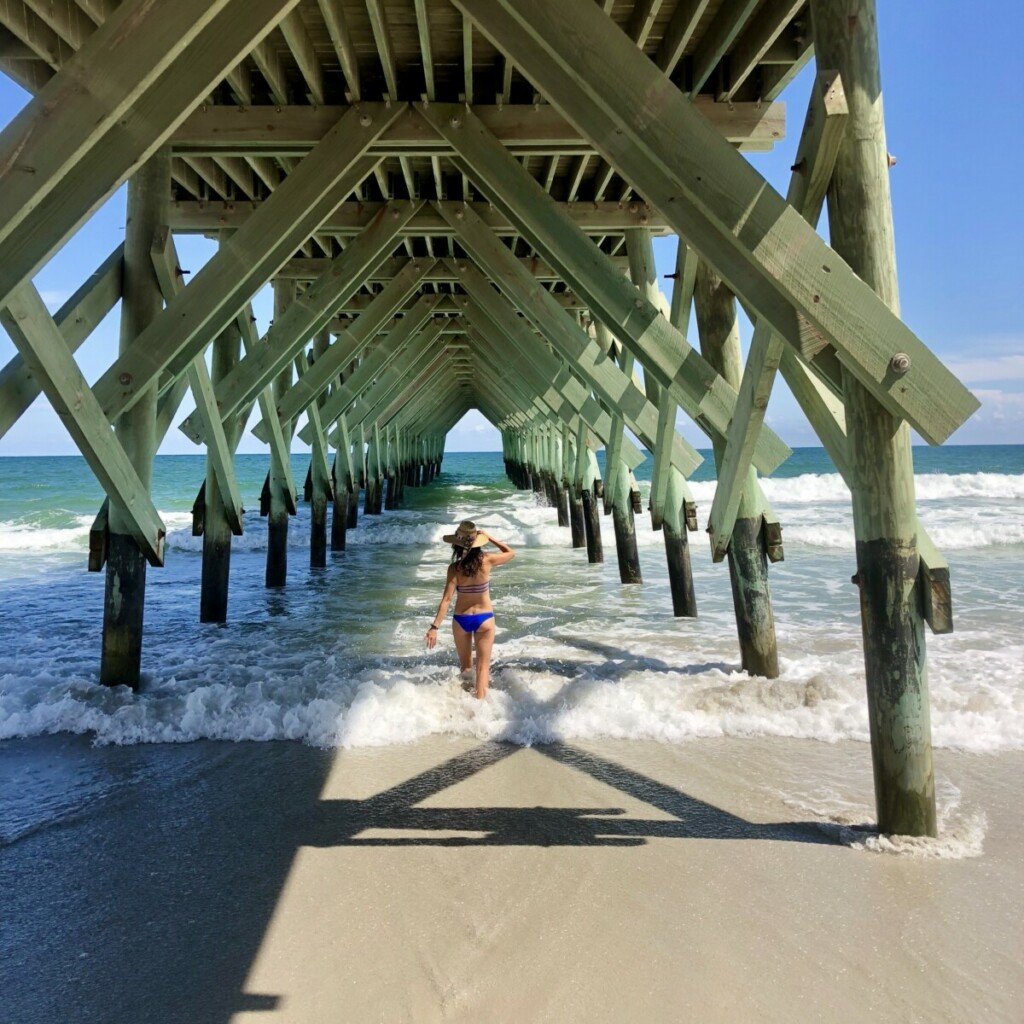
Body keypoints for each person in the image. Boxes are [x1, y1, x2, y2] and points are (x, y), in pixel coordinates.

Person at [425, 520, 515, 699]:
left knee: (466, 668)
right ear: (477, 543)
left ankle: (465, 706)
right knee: (482, 668)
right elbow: (511, 553)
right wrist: (490, 538)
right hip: (485, 619)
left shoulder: (455, 569)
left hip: (461, 620)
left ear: (456, 546)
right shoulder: (488, 560)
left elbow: (447, 600)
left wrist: (434, 627)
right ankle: (480, 709)